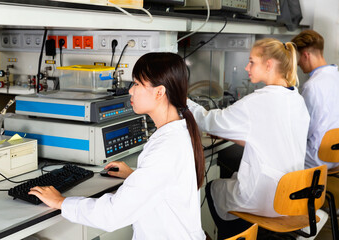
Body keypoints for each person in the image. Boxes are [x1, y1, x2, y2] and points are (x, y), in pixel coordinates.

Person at [29, 52, 206, 240]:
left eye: (137, 84)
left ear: (159, 92)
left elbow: (113, 214)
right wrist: (135, 176)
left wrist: (61, 202)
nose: (130, 91)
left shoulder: (166, 148)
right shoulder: (178, 131)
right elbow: (165, 183)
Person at [187, 38, 310, 239]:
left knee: (212, 188)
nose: (246, 67)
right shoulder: (296, 99)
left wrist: (183, 101)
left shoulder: (258, 101)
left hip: (267, 197)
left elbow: (208, 121)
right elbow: (273, 138)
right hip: (292, 193)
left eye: (252, 61)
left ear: (269, 64)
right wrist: (234, 135)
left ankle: (240, 237)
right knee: (234, 173)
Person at [291, 30, 339, 169]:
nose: (298, 64)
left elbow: (303, 129)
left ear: (306, 55)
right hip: (336, 155)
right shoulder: (336, 76)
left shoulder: (312, 86)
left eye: (298, 59)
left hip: (318, 158)